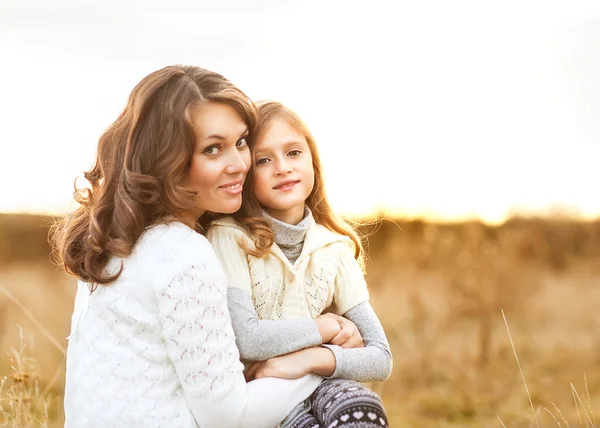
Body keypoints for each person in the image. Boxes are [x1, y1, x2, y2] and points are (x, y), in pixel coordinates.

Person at [51, 66, 340, 428]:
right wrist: (320, 360)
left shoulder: (117, 239)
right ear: (166, 159)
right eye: (213, 149)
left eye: (241, 142)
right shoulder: (183, 254)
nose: (239, 164)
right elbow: (230, 418)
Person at [206, 100, 393, 428]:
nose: (282, 167)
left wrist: (311, 358)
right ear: (248, 175)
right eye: (264, 160)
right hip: (264, 394)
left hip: (321, 380)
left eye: (294, 153)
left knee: (360, 409)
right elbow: (247, 339)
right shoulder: (230, 237)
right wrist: (323, 328)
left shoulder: (334, 246)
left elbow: (380, 358)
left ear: (313, 161)